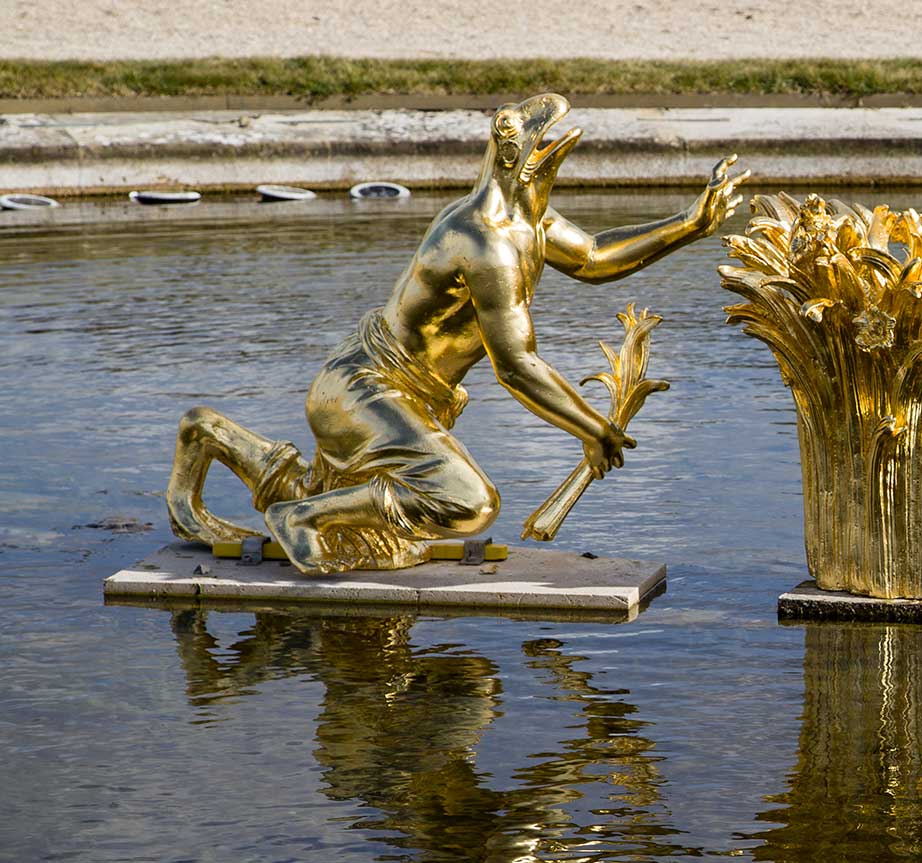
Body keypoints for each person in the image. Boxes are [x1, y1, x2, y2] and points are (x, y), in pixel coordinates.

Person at [167, 93, 746, 574]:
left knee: (370, 509)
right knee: (469, 503)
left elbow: (595, 257)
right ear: (515, 156)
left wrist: (689, 224)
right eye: (542, 141)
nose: (555, 148)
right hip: (366, 390)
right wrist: (593, 429)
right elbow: (516, 366)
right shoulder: (486, 242)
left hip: (403, 396)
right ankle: (299, 519)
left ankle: (210, 435)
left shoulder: (529, 219)